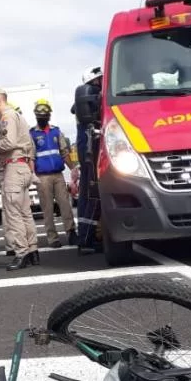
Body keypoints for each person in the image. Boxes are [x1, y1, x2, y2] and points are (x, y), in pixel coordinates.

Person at [0, 87, 39, 271]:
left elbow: (8, 143)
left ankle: (21, 253)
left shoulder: (7, 117)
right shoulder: (18, 117)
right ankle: (32, 250)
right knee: (24, 213)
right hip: (22, 167)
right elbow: (29, 145)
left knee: (13, 214)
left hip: (13, 168)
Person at [30, 99, 79, 248]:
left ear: (49, 116)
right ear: (36, 116)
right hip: (42, 177)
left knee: (65, 204)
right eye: (40, 115)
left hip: (58, 175)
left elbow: (64, 152)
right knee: (47, 208)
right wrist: (32, 174)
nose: (43, 117)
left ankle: (71, 232)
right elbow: (31, 156)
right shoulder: (32, 134)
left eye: (45, 115)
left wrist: (73, 169)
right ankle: (52, 238)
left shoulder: (56, 132)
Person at [72, 66, 103, 255]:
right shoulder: (90, 96)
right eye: (99, 80)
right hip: (91, 152)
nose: (102, 83)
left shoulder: (91, 98)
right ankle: (86, 240)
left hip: (90, 152)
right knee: (92, 196)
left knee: (89, 196)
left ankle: (87, 237)